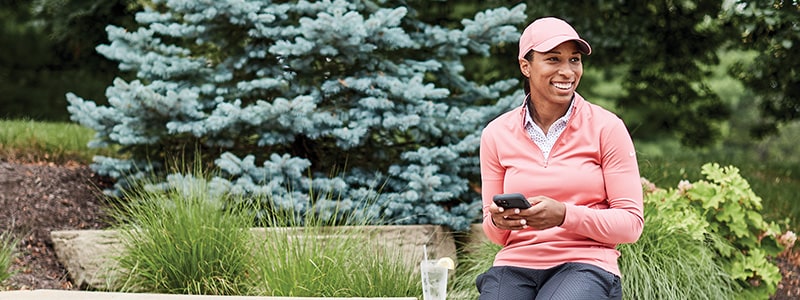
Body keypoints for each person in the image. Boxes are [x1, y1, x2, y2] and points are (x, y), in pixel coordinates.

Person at [476, 16, 644, 300]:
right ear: (525, 66)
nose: (567, 71)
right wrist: (498, 221)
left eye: (574, 60)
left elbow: (631, 224)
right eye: (553, 59)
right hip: (515, 265)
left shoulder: (607, 127)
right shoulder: (496, 133)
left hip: (586, 263)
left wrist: (565, 215)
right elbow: (495, 234)